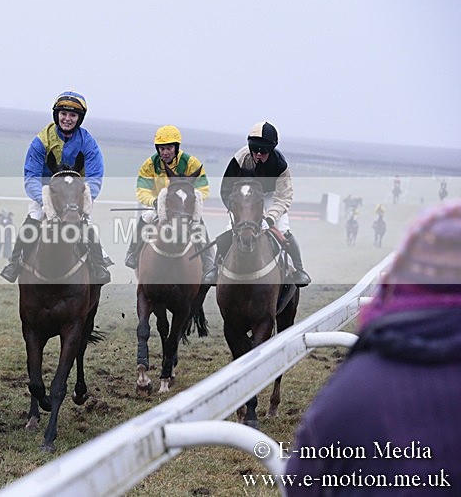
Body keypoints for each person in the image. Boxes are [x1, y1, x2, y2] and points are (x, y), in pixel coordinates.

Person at [285, 200, 461, 494]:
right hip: (250, 212)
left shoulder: (348, 391)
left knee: (287, 238)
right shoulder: (243, 163)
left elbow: (300, 484)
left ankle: (298, 269)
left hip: (275, 212)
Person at [0, 91, 112, 284]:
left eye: (73, 115)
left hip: (75, 196)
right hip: (46, 195)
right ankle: (14, 263)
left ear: (79, 118)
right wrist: (44, 201)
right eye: (64, 114)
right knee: (33, 219)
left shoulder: (88, 143)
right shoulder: (41, 141)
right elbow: (31, 178)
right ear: (57, 114)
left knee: (86, 224)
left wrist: (82, 200)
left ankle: (99, 265)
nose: (67, 119)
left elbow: (95, 178)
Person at [202, 121, 311, 287]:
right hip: (243, 197)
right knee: (230, 230)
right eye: (255, 150)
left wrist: (269, 219)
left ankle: (298, 269)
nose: (259, 154)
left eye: (264, 152)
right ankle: (216, 269)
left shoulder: (280, 165)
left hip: (270, 197)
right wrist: (237, 210)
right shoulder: (240, 158)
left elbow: (284, 197)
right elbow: (226, 189)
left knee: (283, 229)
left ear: (271, 149)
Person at [124, 125, 215, 281]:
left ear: (176, 148)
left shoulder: (191, 163)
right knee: (146, 217)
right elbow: (142, 189)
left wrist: (194, 202)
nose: (165, 152)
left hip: (184, 208)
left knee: (198, 222)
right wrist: (154, 201)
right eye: (162, 148)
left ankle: (208, 261)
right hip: (158, 208)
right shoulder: (149, 165)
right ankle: (132, 252)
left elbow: (203, 187)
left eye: (169, 148)